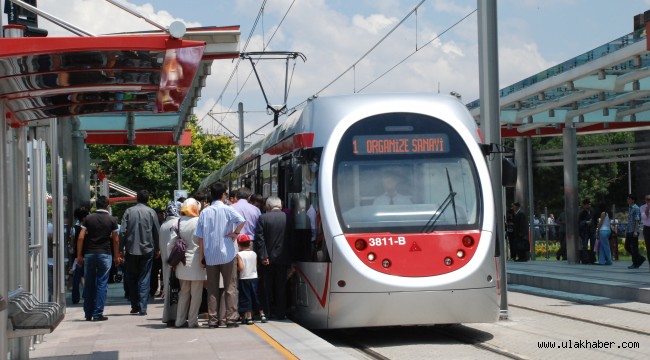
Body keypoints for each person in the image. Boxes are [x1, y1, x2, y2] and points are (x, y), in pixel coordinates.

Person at [195, 182, 245, 328]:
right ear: (224, 195)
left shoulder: (205, 212)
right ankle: (230, 318)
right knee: (230, 287)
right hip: (228, 254)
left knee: (212, 288)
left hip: (210, 255)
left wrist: (201, 257)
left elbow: (200, 237)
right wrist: (235, 233)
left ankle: (213, 320)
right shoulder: (228, 209)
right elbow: (242, 221)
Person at [76, 196, 120, 321]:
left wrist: (79, 255)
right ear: (108, 206)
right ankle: (97, 313)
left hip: (89, 254)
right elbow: (116, 240)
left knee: (89, 283)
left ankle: (88, 313)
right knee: (102, 284)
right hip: (105, 254)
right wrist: (117, 256)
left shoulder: (88, 219)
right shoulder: (112, 220)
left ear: (96, 206)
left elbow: (80, 237)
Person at [120, 189, 160, 316]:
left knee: (131, 278)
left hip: (131, 250)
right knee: (144, 277)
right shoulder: (151, 212)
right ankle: (143, 307)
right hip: (147, 249)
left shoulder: (128, 211)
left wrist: (121, 249)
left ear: (137, 198)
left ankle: (134, 305)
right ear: (147, 199)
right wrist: (158, 248)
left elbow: (122, 232)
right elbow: (156, 232)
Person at [254, 196, 293, 319]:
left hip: (268, 259)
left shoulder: (263, 218)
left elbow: (260, 240)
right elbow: (292, 239)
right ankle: (281, 312)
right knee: (281, 286)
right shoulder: (288, 218)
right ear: (280, 206)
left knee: (267, 286)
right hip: (284, 258)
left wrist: (263, 256)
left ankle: (267, 311)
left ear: (268, 206)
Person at [173, 198, 206, 328]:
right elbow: (203, 242)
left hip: (182, 261)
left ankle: (179, 320)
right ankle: (192, 321)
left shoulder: (178, 222)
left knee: (184, 292)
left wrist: (173, 263)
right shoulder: (199, 221)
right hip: (197, 260)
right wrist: (203, 260)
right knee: (196, 293)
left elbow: (172, 242)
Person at [237, 234, 266, 325]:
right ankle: (262, 315)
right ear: (250, 243)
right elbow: (256, 266)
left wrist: (236, 267)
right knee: (256, 296)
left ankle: (249, 317)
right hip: (254, 277)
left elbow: (241, 268)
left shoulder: (239, 254)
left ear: (239, 245)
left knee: (246, 298)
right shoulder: (254, 254)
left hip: (244, 278)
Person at [160, 201, 181, 325]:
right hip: (175, 261)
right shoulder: (176, 223)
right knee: (177, 289)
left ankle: (168, 316)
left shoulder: (163, 225)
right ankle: (176, 316)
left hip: (165, 262)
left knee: (168, 290)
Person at [71, 206, 89, 304]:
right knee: (88, 276)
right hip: (88, 254)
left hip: (77, 256)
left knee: (76, 278)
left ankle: (75, 297)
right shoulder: (89, 228)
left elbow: (73, 243)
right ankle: (86, 294)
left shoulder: (74, 229)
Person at [625, 194, 645, 269]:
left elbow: (637, 220)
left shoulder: (636, 208)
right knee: (627, 246)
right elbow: (630, 220)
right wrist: (627, 231)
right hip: (629, 230)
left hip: (634, 230)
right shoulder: (630, 207)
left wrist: (635, 231)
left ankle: (635, 263)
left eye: (629, 198)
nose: (627, 200)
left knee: (634, 248)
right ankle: (640, 258)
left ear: (633, 200)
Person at [578, 199, 596, 264]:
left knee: (593, 245)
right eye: (588, 204)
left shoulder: (592, 211)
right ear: (584, 205)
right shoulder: (581, 213)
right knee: (585, 246)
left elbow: (595, 220)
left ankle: (592, 258)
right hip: (585, 231)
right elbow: (579, 223)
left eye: (590, 204)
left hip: (592, 230)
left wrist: (595, 227)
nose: (589, 205)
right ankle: (585, 259)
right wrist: (586, 222)